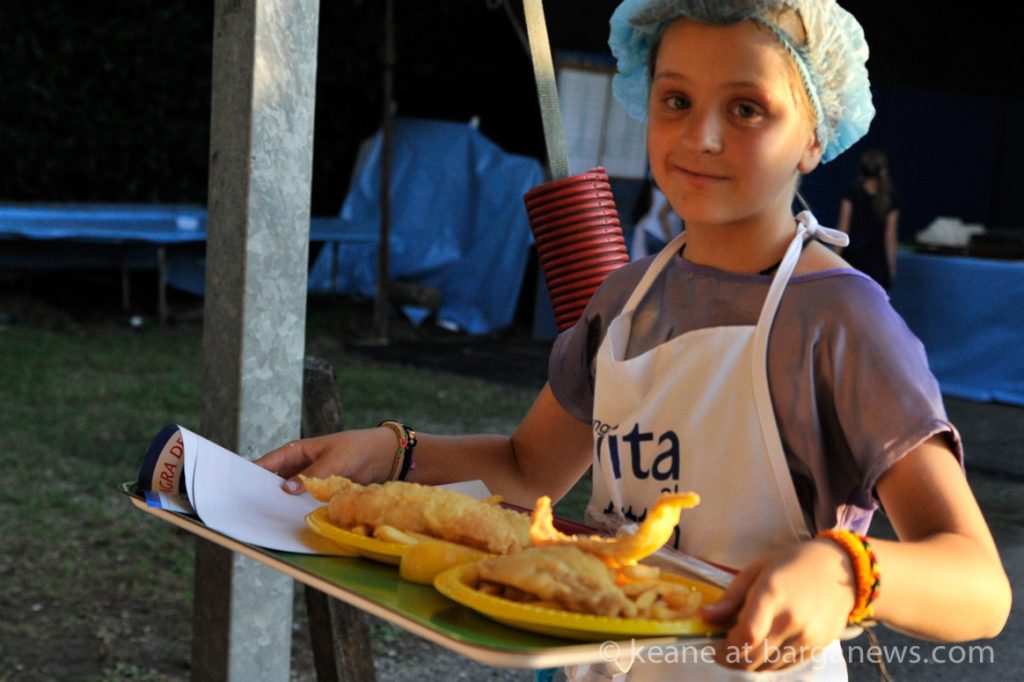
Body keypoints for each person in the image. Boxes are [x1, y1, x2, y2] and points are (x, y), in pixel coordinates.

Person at [257, 1, 1010, 679]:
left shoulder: (843, 320)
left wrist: (847, 572)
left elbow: (980, 586)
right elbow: (528, 470)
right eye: (675, 100)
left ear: (814, 136)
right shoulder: (625, 298)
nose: (701, 137)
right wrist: (390, 454)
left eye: (748, 108)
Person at [836, 149, 900, 290]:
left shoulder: (852, 192)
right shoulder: (890, 197)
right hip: (877, 265)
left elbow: (843, 229)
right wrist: (891, 269)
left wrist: (834, 260)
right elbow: (890, 238)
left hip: (852, 261)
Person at [630, 175, 684, 259]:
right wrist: (670, 238)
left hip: (650, 231)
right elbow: (662, 215)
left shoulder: (653, 191)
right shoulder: (671, 195)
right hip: (660, 236)